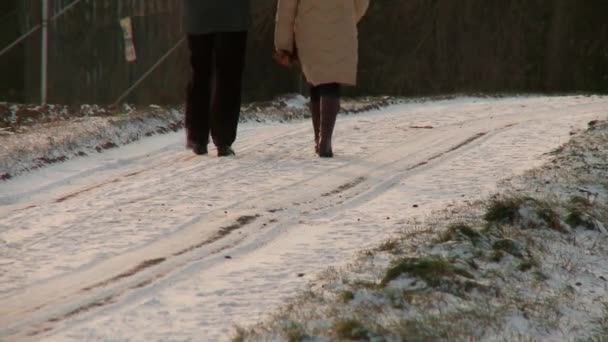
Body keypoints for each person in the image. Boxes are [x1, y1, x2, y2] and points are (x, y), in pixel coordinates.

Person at [275, 0, 369, 158]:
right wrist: (348, 18)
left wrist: (283, 45)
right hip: (341, 23)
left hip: (309, 24)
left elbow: (286, 7)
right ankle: (325, 140)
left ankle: (318, 138)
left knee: (316, 79)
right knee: (332, 80)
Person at [183, 0, 251, 157]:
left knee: (199, 72)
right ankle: (223, 139)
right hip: (233, 14)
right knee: (229, 75)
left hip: (197, 14)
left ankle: (198, 137)